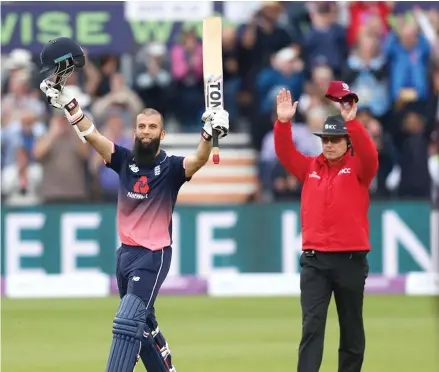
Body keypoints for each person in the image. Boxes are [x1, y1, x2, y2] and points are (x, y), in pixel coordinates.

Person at [38, 37, 230, 372]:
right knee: (141, 326)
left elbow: (200, 159)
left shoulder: (171, 168)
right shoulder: (124, 159)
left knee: (127, 321)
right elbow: (93, 135)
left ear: (162, 134)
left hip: (153, 254)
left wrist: (208, 133)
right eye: (141, 126)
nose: (145, 132)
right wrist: (70, 105)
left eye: (151, 127)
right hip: (125, 254)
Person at [273, 87, 378, 372]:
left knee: (351, 329)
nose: (329, 145)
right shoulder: (310, 168)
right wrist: (283, 123)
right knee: (312, 327)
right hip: (315, 261)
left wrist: (353, 122)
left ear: (347, 142)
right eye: (325, 140)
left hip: (350, 261)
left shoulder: (359, 169)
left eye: (335, 140)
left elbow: (370, 155)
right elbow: (285, 153)